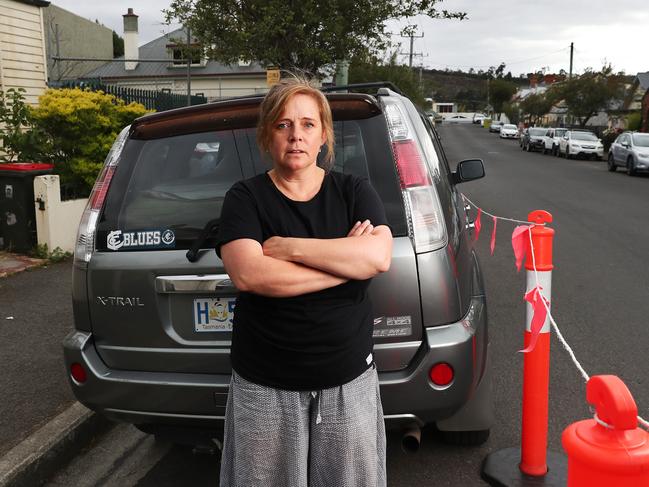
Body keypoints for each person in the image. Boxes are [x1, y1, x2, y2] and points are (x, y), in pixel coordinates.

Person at [216, 76, 393, 487]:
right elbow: (249, 273)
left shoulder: (353, 191)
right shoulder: (245, 198)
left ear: (324, 134)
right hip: (264, 386)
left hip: (348, 383)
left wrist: (290, 248)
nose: (296, 135)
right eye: (282, 125)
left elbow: (378, 257)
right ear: (267, 134)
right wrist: (345, 262)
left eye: (308, 124)